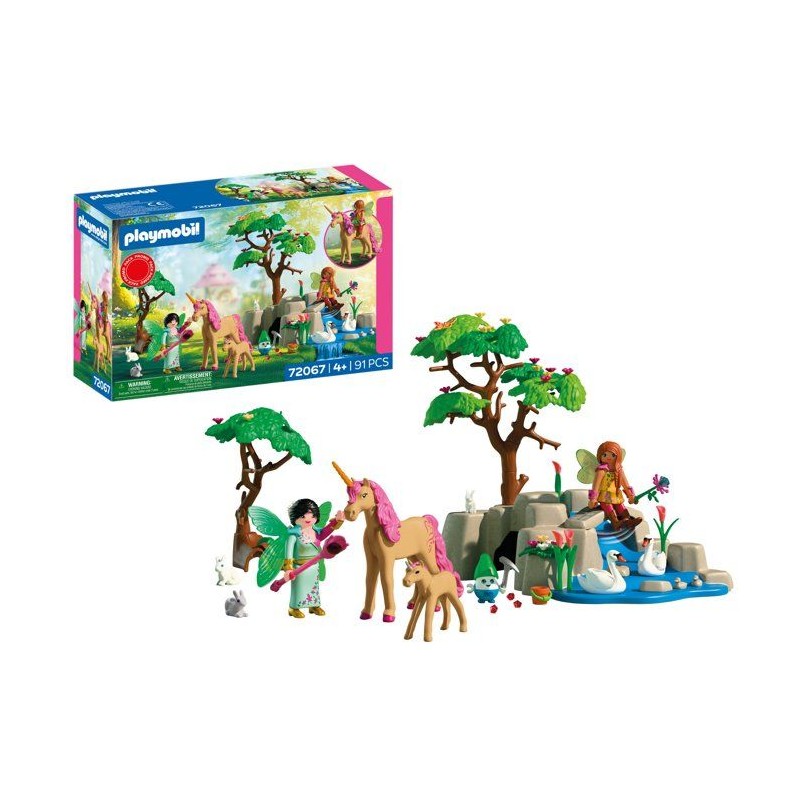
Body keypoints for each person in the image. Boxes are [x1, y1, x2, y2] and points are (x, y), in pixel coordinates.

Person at [282, 499, 344, 618]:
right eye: (303, 516)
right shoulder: (293, 535)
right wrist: (288, 568)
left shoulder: (316, 532)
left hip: (314, 566)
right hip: (299, 567)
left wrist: (337, 521)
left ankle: (314, 605)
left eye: (312, 515)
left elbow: (327, 531)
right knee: (299, 588)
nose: (308, 518)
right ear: (295, 517)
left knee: (313, 588)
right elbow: (288, 552)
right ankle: (294, 607)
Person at [587, 441, 642, 530]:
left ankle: (628, 521)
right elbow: (595, 485)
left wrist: (631, 496)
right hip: (604, 495)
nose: (608, 458)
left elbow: (625, 484)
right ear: (600, 456)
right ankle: (615, 522)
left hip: (616, 495)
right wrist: (593, 499)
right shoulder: (601, 470)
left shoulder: (619, 470)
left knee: (620, 506)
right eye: (605, 455)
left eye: (613, 455)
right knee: (608, 506)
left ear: (618, 456)